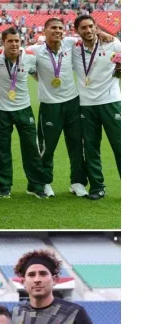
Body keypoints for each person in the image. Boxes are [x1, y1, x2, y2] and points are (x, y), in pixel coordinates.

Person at [0, 27, 47, 198]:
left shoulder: (29, 59)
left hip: (24, 109)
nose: (14, 44)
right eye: (10, 41)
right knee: (2, 149)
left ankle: (35, 185)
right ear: (3, 43)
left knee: (32, 148)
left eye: (17, 41)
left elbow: (35, 74)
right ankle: (4, 185)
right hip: (1, 110)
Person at [27, 18, 87, 198]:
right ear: (44, 31)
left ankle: (77, 182)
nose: (58, 31)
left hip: (72, 103)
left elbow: (91, 35)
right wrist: (43, 81)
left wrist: (106, 35)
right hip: (50, 105)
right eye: (53, 28)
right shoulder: (35, 51)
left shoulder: (70, 44)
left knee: (77, 145)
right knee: (47, 147)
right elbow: (29, 69)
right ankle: (43, 182)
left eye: (61, 28)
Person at [71, 15, 121, 200]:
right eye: (83, 28)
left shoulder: (113, 43)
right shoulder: (74, 48)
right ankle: (98, 187)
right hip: (86, 104)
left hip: (111, 102)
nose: (88, 30)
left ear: (96, 26)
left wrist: (121, 70)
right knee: (91, 148)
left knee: (120, 146)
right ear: (77, 31)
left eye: (91, 26)